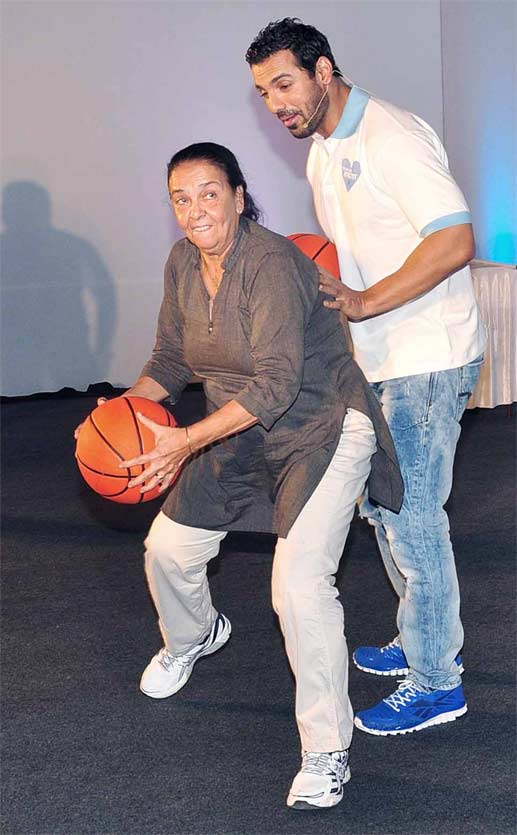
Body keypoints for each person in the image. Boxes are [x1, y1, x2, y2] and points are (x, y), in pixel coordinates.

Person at [78, 142, 402, 810]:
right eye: (181, 198)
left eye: (208, 193)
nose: (195, 209)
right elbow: (169, 362)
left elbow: (278, 383)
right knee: (168, 550)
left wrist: (184, 441)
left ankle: (327, 750)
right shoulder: (181, 263)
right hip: (239, 427)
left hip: (322, 424)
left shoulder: (272, 263)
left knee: (299, 587)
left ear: (238, 195)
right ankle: (196, 635)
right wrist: (119, 416)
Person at [246, 18, 486, 737]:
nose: (275, 103)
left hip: (427, 353)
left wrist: (365, 302)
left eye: (284, 84)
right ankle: (420, 637)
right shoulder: (323, 151)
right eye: (263, 93)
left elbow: (454, 239)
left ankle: (437, 681)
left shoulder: (391, 135)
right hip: (377, 357)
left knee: (413, 518)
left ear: (323, 70)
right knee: (384, 507)